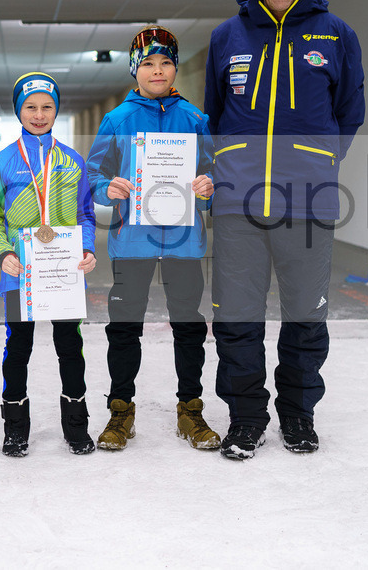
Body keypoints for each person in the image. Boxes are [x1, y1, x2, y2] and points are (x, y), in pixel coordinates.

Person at [204, 0, 365, 459]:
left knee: (305, 314)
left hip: (308, 201)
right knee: (237, 316)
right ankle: (246, 418)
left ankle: (298, 415)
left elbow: (350, 111)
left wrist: (321, 161)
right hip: (237, 202)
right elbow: (215, 115)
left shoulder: (336, 34)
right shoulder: (227, 36)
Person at [86, 26, 219, 452]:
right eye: (147, 63)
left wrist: (209, 186)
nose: (157, 70)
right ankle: (120, 411)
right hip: (132, 241)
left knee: (188, 325)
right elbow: (92, 175)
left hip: (184, 240)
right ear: (134, 70)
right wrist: (106, 188)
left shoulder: (196, 120)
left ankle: (190, 410)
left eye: (165, 62)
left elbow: (216, 172)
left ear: (175, 68)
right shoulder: (117, 120)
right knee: (124, 327)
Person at [0, 73, 97, 457]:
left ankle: (76, 426)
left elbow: (86, 214)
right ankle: (15, 427)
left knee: (70, 347)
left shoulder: (73, 161)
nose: (39, 114)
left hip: (64, 272)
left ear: (56, 110)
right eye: (30, 107)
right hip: (21, 273)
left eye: (47, 106)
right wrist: (4, 253)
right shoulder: (2, 162)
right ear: (19, 111)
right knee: (18, 348)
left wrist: (87, 249)